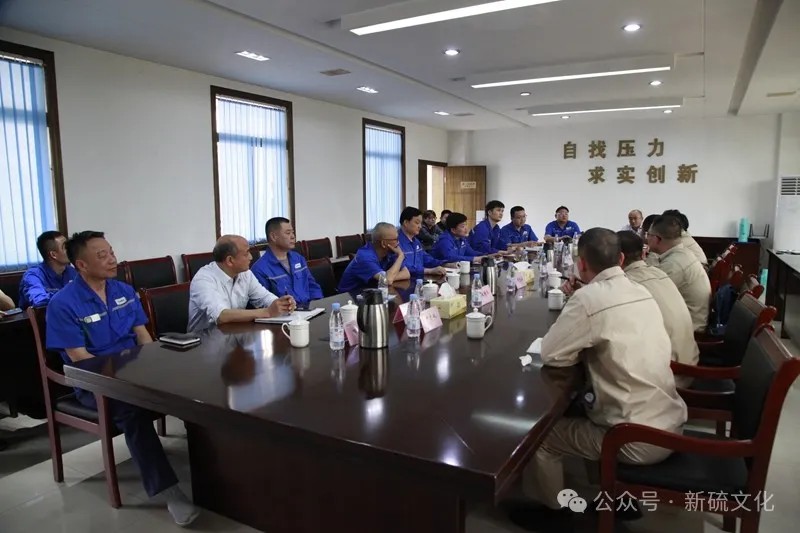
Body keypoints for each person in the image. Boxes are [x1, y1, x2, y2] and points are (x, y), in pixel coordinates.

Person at [510, 228, 686, 530]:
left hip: (635, 437)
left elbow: (552, 354)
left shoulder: (589, 298)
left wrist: (580, 304)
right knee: (580, 407)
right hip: (668, 417)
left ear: (581, 264)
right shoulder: (639, 289)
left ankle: (553, 512)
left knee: (540, 437)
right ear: (621, 259)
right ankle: (614, 494)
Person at [45, 231, 199, 526]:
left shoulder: (124, 291)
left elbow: (143, 337)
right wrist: (125, 381)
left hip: (138, 372)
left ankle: (211, 467)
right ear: (81, 264)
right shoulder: (63, 304)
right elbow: (80, 358)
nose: (112, 259)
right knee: (132, 411)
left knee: (192, 390)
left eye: (111, 252)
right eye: (101, 255)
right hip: (95, 383)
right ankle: (169, 491)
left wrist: (156, 370)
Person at [618, 231, 698, 387]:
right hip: (689, 361)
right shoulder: (658, 272)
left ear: (619, 258)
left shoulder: (628, 284)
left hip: (670, 376)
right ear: (643, 253)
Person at [188, 235, 294, 333]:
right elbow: (222, 315)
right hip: (204, 341)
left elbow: (264, 297)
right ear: (230, 260)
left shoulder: (245, 274)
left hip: (235, 336)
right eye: (246, 253)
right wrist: (268, 312)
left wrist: (282, 304)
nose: (251, 257)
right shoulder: (204, 279)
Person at [646, 216, 711, 331]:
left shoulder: (674, 264)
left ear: (657, 239)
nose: (646, 238)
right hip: (686, 319)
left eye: (648, 234)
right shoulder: (682, 254)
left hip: (690, 328)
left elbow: (649, 295)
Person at [250, 218, 322, 308]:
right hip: (287, 314)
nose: (293, 236)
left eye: (293, 232)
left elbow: (312, 285)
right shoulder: (259, 269)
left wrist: (316, 304)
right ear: (273, 237)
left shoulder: (298, 258)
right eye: (288, 233)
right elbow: (264, 302)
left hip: (310, 309)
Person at [337, 222, 410, 294]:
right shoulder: (365, 257)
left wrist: (389, 277)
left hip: (371, 293)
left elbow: (406, 274)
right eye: (396, 239)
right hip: (349, 297)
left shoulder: (390, 252)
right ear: (383, 243)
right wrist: (401, 256)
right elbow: (387, 280)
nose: (398, 242)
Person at [18, 231, 78, 309]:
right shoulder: (33, 275)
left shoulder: (72, 271)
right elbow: (39, 301)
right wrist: (69, 294)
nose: (71, 250)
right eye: (66, 247)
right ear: (53, 254)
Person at [397, 207, 448, 278]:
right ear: (406, 223)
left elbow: (426, 259)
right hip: (404, 281)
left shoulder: (416, 241)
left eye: (420, 223)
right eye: (417, 223)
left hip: (421, 279)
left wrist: (445, 264)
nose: (420, 226)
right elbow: (403, 268)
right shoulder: (396, 242)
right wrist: (429, 271)